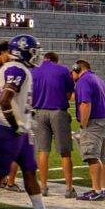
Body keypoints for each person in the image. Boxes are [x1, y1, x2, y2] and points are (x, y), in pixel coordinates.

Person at [0, 34, 66, 209]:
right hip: (10, 129)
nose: (36, 56)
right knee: (0, 172)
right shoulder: (16, 69)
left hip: (20, 129)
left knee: (29, 170)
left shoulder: (13, 68)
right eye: (34, 52)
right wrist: (14, 123)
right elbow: (4, 99)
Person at [30, 51, 76, 198]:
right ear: (56, 60)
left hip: (39, 112)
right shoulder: (62, 70)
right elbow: (69, 95)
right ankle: (69, 188)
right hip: (58, 112)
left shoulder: (33, 71)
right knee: (65, 151)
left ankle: (43, 187)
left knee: (43, 151)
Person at [72, 60, 105, 201]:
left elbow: (85, 103)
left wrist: (83, 125)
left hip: (94, 121)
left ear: (77, 69)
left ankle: (97, 191)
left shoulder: (84, 80)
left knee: (92, 156)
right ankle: (102, 188)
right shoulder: (98, 79)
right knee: (102, 157)